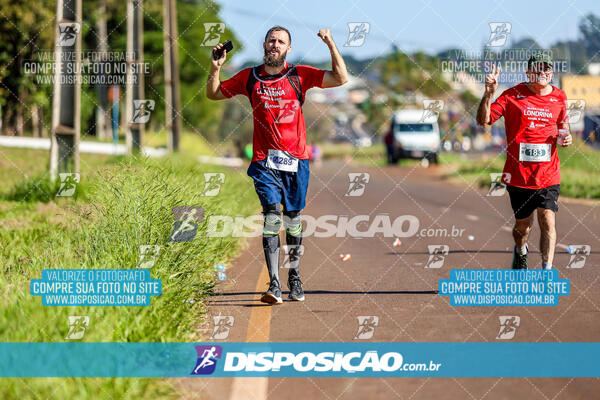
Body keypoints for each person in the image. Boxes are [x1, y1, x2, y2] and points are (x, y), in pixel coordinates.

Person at [206, 26, 348, 303]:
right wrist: (215, 68)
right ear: (264, 44)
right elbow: (214, 94)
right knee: (272, 217)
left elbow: (341, 77)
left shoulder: (299, 75)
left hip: (296, 161)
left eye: (281, 42)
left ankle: (294, 277)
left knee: (293, 222)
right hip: (264, 161)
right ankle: (273, 284)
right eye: (271, 40)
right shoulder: (250, 77)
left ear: (288, 49)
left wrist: (330, 43)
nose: (275, 45)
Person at [476, 53, 573, 270]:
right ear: (528, 72)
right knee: (523, 228)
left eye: (546, 69)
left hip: (548, 173)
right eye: (537, 69)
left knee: (548, 219)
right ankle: (521, 250)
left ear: (551, 73)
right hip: (518, 175)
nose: (542, 73)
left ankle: (546, 272)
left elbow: (563, 127)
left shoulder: (559, 97)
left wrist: (566, 136)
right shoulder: (512, 95)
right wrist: (488, 93)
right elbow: (483, 120)